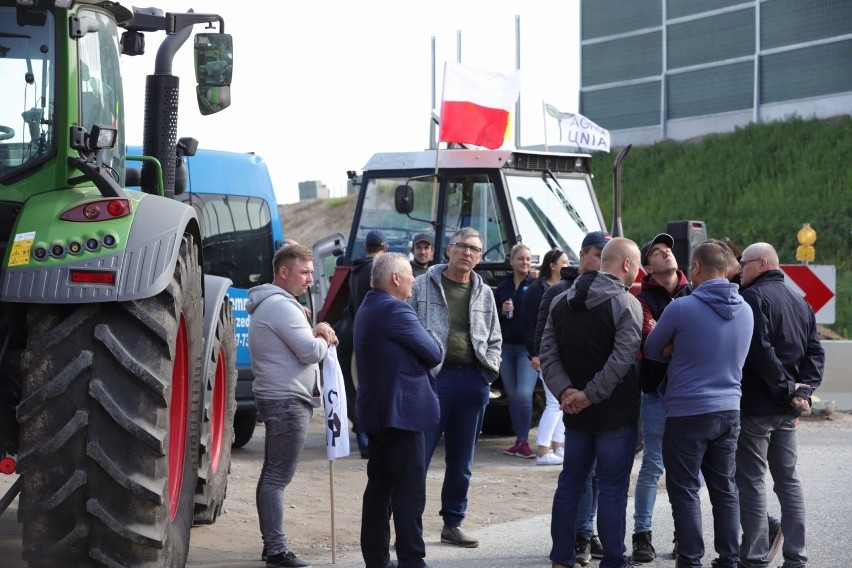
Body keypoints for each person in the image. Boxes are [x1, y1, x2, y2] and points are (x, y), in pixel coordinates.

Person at [644, 240, 753, 568]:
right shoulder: (746, 309)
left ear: (696, 268)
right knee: (724, 488)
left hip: (688, 410)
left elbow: (650, 349)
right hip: (730, 409)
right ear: (730, 269)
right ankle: (729, 558)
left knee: (686, 489)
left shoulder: (682, 308)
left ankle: (690, 559)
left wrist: (672, 346)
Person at [540, 237, 643, 568]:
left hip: (575, 415)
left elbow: (548, 355)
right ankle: (613, 560)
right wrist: (588, 395)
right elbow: (623, 358)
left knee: (570, 484)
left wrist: (566, 393)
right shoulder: (627, 304)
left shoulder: (560, 301)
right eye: (637, 264)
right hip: (615, 415)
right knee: (612, 490)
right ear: (626, 264)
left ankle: (561, 558)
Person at [409, 227, 502, 548]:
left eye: (474, 249)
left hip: (473, 381)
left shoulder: (485, 293)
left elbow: (494, 338)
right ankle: (409, 528)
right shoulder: (421, 286)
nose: (467, 253)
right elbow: (406, 328)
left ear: (479, 256)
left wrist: (487, 373)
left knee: (462, 462)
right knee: (416, 459)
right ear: (448, 249)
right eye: (462, 246)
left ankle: (452, 523)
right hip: (433, 381)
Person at [247, 244, 338, 568]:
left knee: (273, 473)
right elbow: (309, 352)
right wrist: (324, 334)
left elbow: (297, 345)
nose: (310, 279)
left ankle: (271, 543)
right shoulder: (283, 307)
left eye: (312, 272)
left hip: (279, 397)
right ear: (283, 272)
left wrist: (312, 332)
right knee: (277, 477)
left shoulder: (273, 305)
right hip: (286, 400)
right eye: (304, 272)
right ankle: (277, 551)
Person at [736, 242, 824, 568]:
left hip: (758, 406)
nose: (739, 269)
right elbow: (815, 353)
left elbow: (760, 351)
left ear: (760, 264)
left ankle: (755, 559)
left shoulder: (752, 299)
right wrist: (803, 391)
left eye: (743, 263)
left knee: (753, 482)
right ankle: (796, 557)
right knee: (788, 481)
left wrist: (788, 390)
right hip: (788, 410)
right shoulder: (801, 303)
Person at [354, 253, 443, 568]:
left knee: (379, 488)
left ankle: (377, 559)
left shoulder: (369, 306)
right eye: (409, 275)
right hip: (400, 414)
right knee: (408, 492)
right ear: (395, 278)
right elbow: (433, 352)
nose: (413, 280)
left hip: (379, 413)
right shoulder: (395, 309)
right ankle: (412, 559)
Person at [534, 230, 611, 565]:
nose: (604, 261)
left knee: (595, 473)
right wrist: (566, 392)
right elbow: (543, 349)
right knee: (577, 473)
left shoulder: (612, 291)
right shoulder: (558, 293)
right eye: (598, 253)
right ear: (583, 255)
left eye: (608, 254)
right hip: (573, 399)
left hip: (600, 396)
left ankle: (586, 531)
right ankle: (577, 538)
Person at [631, 233, 692, 563]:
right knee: (652, 467)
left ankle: (684, 536)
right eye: (657, 252)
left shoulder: (694, 292)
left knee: (685, 470)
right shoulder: (641, 298)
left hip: (688, 396)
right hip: (655, 393)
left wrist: (671, 343)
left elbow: (681, 343)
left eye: (668, 250)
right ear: (647, 266)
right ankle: (642, 536)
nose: (666, 254)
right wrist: (679, 342)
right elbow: (652, 342)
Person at [520, 248, 569, 466]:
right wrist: (535, 354)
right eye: (564, 262)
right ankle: (542, 450)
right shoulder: (534, 291)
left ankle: (558, 446)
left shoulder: (568, 287)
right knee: (553, 402)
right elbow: (530, 325)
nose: (568, 265)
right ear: (553, 265)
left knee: (561, 402)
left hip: (561, 352)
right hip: (545, 355)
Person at [345, 228, 389, 458]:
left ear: (365, 247)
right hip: (376, 338)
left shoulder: (355, 270)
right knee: (374, 392)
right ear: (385, 248)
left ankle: (365, 442)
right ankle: (369, 444)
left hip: (358, 335)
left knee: (364, 390)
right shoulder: (377, 271)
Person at [494, 243, 537, 458]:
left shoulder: (536, 285)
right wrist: (503, 311)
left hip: (526, 349)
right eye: (521, 258)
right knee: (512, 395)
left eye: (528, 259)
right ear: (511, 261)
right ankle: (519, 441)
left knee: (523, 394)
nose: (525, 262)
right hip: (506, 347)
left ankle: (525, 441)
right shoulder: (503, 288)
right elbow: (493, 319)